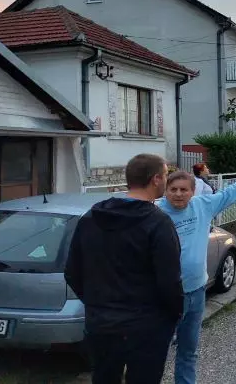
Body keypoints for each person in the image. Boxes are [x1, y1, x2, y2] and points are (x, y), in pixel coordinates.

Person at [65, 154, 183, 384]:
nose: (166, 180)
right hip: (147, 326)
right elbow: (169, 281)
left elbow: (72, 271)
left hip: (101, 323)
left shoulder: (91, 218)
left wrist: (96, 303)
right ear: (156, 179)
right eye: (165, 175)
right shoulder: (158, 223)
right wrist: (174, 314)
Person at [158, 155, 236, 384]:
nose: (178, 194)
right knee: (156, 353)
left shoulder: (202, 205)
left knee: (188, 351)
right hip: (166, 297)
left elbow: (230, 194)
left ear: (193, 192)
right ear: (165, 190)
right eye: (173, 189)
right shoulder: (156, 212)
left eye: (184, 190)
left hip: (196, 292)